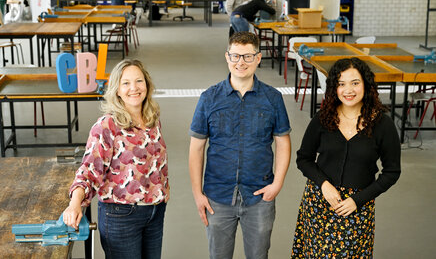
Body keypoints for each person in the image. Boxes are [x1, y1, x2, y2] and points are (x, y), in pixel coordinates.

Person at [189, 31, 291, 259]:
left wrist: (277, 183)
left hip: (259, 197)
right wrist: (198, 194)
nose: (240, 63)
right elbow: (196, 148)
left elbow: (283, 142)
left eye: (247, 56)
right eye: (235, 56)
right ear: (227, 57)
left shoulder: (273, 98)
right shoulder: (209, 98)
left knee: (258, 256)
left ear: (258, 58)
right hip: (217, 196)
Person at [291, 57, 401, 258]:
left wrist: (358, 200)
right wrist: (323, 184)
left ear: (366, 85)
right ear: (334, 88)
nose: (348, 90)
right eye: (341, 84)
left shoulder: (382, 124)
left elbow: (392, 172)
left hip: (357, 208)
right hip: (319, 203)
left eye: (355, 83)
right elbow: (303, 159)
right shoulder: (323, 118)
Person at [63, 59, 169, 259]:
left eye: (139, 81)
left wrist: (162, 193)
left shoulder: (152, 119)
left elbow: (156, 162)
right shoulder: (106, 126)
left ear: (146, 84)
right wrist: (75, 203)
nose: (134, 88)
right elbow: (88, 170)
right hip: (121, 216)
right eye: (126, 83)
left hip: (154, 212)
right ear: (117, 90)